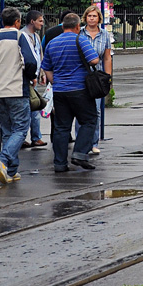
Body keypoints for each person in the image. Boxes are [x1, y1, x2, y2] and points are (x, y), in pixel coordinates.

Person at [40, 12, 100, 172]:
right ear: (77, 26)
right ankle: (79, 153)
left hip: (60, 91)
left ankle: (60, 163)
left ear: (63, 26)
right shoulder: (80, 40)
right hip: (80, 89)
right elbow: (94, 60)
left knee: (61, 127)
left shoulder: (52, 43)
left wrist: (55, 81)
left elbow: (46, 67)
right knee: (89, 121)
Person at [0, 7, 38, 183]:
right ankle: (2, 158)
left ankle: (11, 169)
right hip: (16, 88)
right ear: (17, 22)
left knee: (7, 130)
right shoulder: (19, 36)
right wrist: (31, 76)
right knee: (21, 128)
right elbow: (31, 61)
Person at [80, 5, 112, 156]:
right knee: (80, 110)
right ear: (85, 18)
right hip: (81, 76)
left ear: (99, 18)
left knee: (96, 111)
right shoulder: (79, 33)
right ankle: (81, 144)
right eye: (89, 16)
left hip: (97, 78)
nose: (92, 19)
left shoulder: (104, 34)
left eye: (94, 16)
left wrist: (108, 77)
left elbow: (107, 57)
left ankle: (93, 143)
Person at [19, 10, 47, 148]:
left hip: (34, 76)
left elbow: (39, 55)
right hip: (27, 77)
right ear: (32, 21)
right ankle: (23, 137)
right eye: (40, 21)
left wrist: (41, 73)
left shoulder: (36, 36)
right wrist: (31, 75)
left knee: (35, 107)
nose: (42, 23)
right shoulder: (22, 36)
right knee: (27, 108)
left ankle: (36, 136)